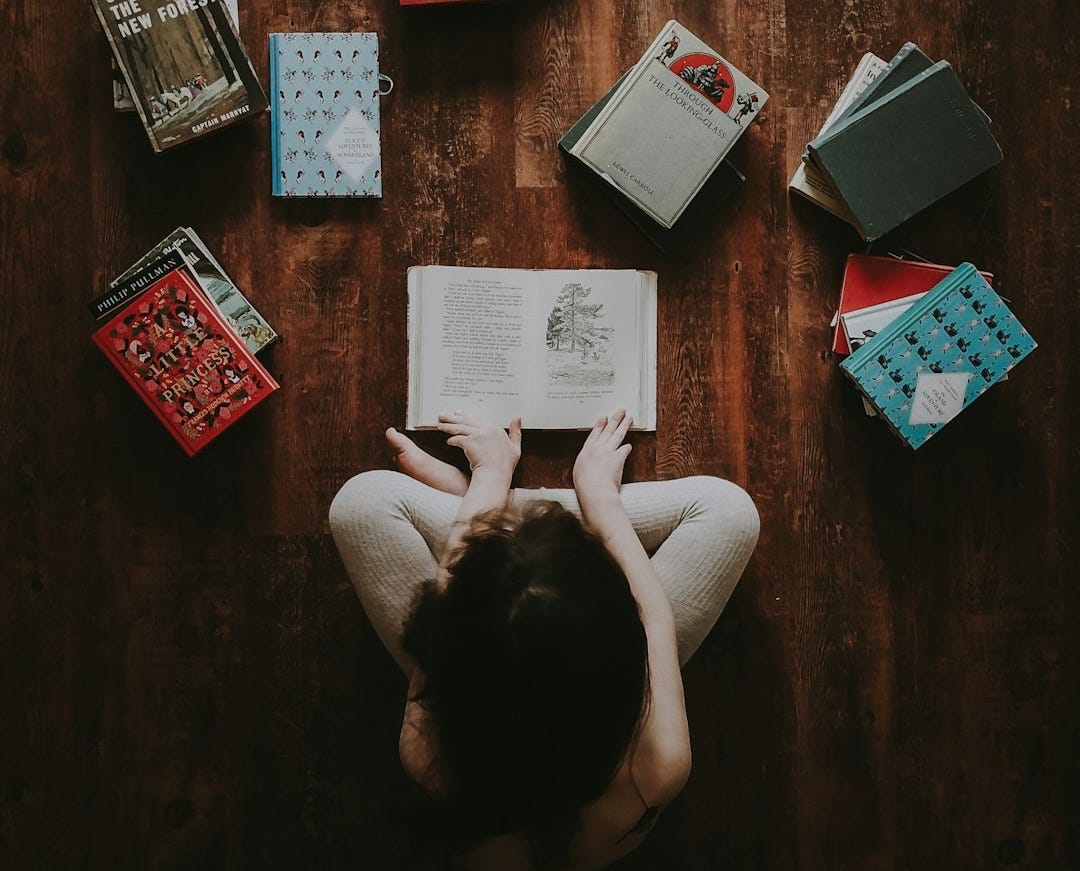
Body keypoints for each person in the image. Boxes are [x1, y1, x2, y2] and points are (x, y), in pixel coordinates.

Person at [329, 409, 759, 870]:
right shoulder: (656, 766)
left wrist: (488, 478)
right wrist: (600, 500)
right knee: (729, 512)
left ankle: (500, 518)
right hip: (581, 652)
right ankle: (529, 523)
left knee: (361, 504)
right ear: (619, 639)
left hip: (498, 645)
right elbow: (654, 619)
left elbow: (448, 602)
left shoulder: (426, 753)